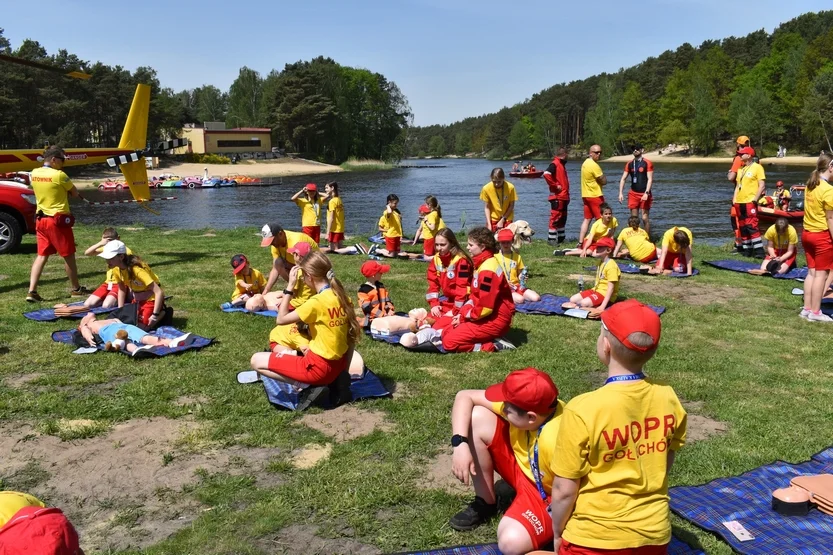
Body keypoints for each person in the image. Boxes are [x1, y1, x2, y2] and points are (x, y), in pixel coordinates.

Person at [550, 300, 687, 555]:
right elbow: (666, 459)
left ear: (605, 346)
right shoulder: (668, 397)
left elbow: (563, 490)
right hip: (654, 536)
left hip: (593, 539)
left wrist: (557, 532)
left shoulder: (582, 408)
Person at [448, 368, 565, 554]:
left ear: (531, 417)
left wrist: (560, 533)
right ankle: (485, 502)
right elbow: (465, 396)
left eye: (507, 407)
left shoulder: (559, 439)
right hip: (524, 465)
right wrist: (459, 443)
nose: (502, 407)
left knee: (510, 542)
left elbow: (567, 493)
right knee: (476, 415)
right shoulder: (536, 408)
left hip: (547, 493)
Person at [249, 251, 363, 408]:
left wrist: (289, 287)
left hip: (318, 368)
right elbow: (350, 339)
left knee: (256, 360)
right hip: (338, 365)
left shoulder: (316, 302)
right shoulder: (343, 297)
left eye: (303, 276)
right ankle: (335, 381)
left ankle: (306, 386)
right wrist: (343, 371)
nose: (302, 279)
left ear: (310, 276)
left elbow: (280, 319)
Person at [27, 146, 89, 302]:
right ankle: (76, 289)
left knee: (42, 255)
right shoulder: (60, 175)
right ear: (53, 159)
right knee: (68, 255)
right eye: (62, 160)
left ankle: (32, 291)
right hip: (57, 221)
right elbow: (74, 193)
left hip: (40, 220)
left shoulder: (34, 173)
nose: (63, 163)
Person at [441, 227, 515, 353]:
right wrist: (461, 313)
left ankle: (492, 346)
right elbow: (475, 296)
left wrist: (464, 316)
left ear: (483, 247)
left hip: (495, 319)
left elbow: (485, 307)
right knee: (446, 332)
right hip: (486, 316)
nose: (467, 248)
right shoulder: (482, 263)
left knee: (449, 343)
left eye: (471, 245)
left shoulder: (487, 270)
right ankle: (490, 339)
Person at [97, 240, 167, 328]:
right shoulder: (116, 269)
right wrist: (121, 310)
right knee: (127, 322)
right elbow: (122, 289)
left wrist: (155, 315)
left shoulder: (137, 270)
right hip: (138, 298)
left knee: (141, 328)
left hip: (151, 298)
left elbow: (158, 292)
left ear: (121, 257)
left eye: (110, 258)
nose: (107, 261)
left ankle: (163, 312)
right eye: (106, 258)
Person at [800, 153, 833, 322]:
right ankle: (816, 311)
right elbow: (830, 219)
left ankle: (807, 308)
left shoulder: (810, 184)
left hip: (806, 233)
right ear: (830, 168)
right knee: (821, 275)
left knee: (811, 273)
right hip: (821, 236)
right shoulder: (828, 190)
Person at [77, 312, 194, 356]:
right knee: (123, 341)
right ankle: (135, 350)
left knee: (142, 336)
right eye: (86, 316)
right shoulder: (88, 326)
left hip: (123, 326)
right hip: (108, 331)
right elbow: (85, 331)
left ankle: (170, 342)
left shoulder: (107, 319)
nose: (89, 314)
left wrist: (118, 322)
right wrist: (89, 338)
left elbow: (120, 322)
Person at [426, 228, 473, 328]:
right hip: (449, 301)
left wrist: (455, 311)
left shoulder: (461, 261)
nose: (439, 248)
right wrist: (434, 304)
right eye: (436, 244)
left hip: (464, 302)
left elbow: (462, 287)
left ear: (451, 244)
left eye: (443, 245)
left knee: (438, 326)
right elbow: (432, 284)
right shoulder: (436, 259)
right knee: (426, 320)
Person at [562, 237, 620, 313]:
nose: (597, 248)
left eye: (600, 247)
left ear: (608, 250)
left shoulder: (611, 267)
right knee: (572, 299)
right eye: (597, 246)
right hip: (595, 290)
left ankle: (590, 306)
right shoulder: (601, 261)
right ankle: (587, 304)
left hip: (604, 294)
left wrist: (603, 306)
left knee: (583, 303)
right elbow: (594, 254)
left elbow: (611, 288)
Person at [259, 223, 320, 296]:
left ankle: (306, 290)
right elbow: (275, 268)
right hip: (297, 266)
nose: (272, 244)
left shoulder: (296, 241)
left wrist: (288, 292)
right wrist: (265, 291)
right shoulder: (276, 245)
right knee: (278, 262)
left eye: (272, 241)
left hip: (314, 268)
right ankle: (295, 288)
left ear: (280, 234)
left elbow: (305, 266)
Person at [83, 228, 133, 308]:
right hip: (108, 283)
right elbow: (87, 253)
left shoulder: (123, 251)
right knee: (87, 304)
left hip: (119, 283)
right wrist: (100, 243)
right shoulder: (107, 248)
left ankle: (119, 298)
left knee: (107, 305)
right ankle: (105, 298)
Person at [732, 146, 766, 257]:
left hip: (750, 201)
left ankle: (759, 251)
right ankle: (747, 250)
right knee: (742, 226)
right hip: (739, 202)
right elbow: (738, 186)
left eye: (742, 154)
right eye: (739, 154)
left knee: (752, 225)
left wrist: (755, 199)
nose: (740, 156)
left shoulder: (757, 167)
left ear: (749, 155)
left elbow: (761, 185)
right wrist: (734, 199)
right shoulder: (740, 169)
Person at [495, 228, 540, 304]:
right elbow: (493, 276)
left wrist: (522, 277)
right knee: (520, 300)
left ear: (512, 241)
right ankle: (502, 296)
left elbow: (519, 274)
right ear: (499, 243)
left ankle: (515, 295)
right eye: (503, 243)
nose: (506, 245)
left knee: (536, 298)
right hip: (503, 287)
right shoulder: (495, 258)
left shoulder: (517, 257)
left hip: (516, 286)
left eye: (508, 242)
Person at [619, 144, 654, 236]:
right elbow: (623, 179)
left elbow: (650, 179)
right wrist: (620, 193)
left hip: (644, 193)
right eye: (633, 149)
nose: (635, 150)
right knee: (634, 218)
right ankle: (634, 238)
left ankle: (647, 238)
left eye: (637, 149)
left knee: (645, 217)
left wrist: (646, 193)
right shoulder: (629, 164)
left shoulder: (647, 163)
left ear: (642, 150)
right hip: (633, 193)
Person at [578, 145, 607, 245]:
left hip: (586, 195)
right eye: (596, 152)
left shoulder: (585, 163)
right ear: (590, 153)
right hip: (595, 195)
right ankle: (600, 241)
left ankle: (581, 241)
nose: (599, 154)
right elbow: (603, 181)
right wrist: (603, 178)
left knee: (587, 219)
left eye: (600, 152)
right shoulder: (594, 165)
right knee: (602, 219)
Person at [320, 181, 357, 255]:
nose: (325, 190)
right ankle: (354, 248)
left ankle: (354, 248)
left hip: (334, 228)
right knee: (340, 246)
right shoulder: (339, 200)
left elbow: (331, 218)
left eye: (327, 188)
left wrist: (327, 233)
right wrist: (317, 193)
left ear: (332, 188)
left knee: (334, 249)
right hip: (340, 227)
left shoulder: (332, 202)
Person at [357, 260, 397, 328]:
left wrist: (389, 310)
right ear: (373, 275)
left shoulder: (381, 286)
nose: (382, 273)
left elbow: (387, 300)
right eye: (380, 272)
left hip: (385, 316)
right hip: (373, 319)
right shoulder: (363, 291)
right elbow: (367, 307)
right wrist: (382, 314)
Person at [543, 147, 570, 244]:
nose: (568, 156)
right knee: (555, 217)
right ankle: (551, 239)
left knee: (563, 217)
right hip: (557, 197)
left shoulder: (561, 164)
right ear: (564, 154)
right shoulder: (555, 163)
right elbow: (546, 174)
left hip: (563, 196)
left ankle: (561, 238)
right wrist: (555, 185)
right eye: (567, 154)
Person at [376, 194, 409, 258]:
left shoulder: (395, 212)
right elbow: (389, 212)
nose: (396, 205)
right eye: (395, 203)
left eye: (397, 203)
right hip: (391, 235)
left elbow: (399, 224)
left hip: (397, 235)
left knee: (396, 253)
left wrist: (401, 235)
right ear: (389, 202)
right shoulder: (386, 212)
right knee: (392, 255)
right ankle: (379, 250)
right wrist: (388, 206)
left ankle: (383, 250)